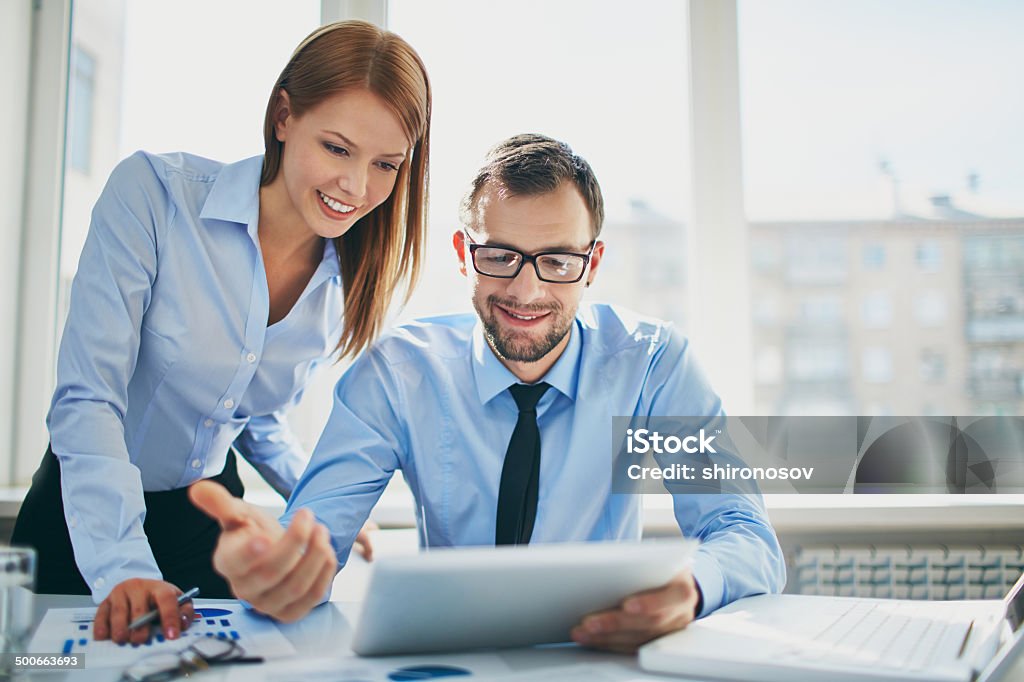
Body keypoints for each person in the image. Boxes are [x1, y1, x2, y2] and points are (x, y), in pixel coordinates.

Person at [191, 134, 786, 652]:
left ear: (593, 263)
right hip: (453, 662)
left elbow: (743, 531)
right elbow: (315, 538)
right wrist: (280, 572)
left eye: (556, 260)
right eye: (500, 256)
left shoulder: (654, 363)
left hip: (603, 659)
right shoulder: (398, 373)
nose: (525, 291)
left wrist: (692, 585)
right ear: (463, 255)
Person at [11, 20, 431, 646]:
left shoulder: (344, 278)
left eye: (386, 165)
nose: (357, 187)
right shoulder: (154, 196)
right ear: (284, 117)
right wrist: (125, 570)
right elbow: (88, 399)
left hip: (209, 526)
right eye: (338, 149)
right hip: (87, 517)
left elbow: (253, 420)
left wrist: (316, 505)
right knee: (51, 669)